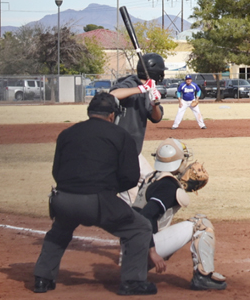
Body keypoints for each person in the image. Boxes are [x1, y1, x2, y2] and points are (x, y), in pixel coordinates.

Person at [33, 93, 157, 296]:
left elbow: (57, 171)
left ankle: (42, 279)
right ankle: (132, 282)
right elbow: (130, 177)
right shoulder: (121, 135)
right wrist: (109, 190)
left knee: (59, 232)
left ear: (90, 112)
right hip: (98, 201)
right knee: (140, 227)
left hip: (62, 199)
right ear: (112, 115)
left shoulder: (66, 134)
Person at [133, 138, 227, 291]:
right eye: (184, 159)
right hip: (143, 249)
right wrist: (152, 252)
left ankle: (137, 266)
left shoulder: (153, 177)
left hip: (132, 246)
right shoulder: (168, 186)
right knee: (200, 222)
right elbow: (145, 216)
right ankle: (203, 277)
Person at [111, 53, 166, 203]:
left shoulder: (150, 89)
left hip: (134, 151)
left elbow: (156, 118)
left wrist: (155, 103)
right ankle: (132, 224)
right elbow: (113, 94)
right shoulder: (130, 83)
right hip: (119, 151)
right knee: (132, 198)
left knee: (152, 183)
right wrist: (141, 89)